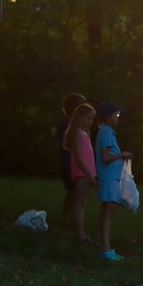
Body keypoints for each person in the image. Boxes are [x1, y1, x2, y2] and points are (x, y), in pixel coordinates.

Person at [94, 102, 132, 261]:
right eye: (116, 115)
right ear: (108, 117)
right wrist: (122, 155)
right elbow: (106, 157)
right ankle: (106, 249)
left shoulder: (105, 131)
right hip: (109, 178)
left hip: (111, 177)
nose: (118, 117)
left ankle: (105, 246)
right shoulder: (107, 132)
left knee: (108, 212)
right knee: (109, 213)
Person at [64, 103, 97, 246]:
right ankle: (81, 235)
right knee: (79, 204)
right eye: (88, 118)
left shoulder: (84, 133)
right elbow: (78, 156)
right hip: (81, 173)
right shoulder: (77, 133)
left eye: (92, 119)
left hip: (86, 173)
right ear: (80, 117)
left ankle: (80, 233)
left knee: (82, 203)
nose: (90, 122)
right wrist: (89, 174)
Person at [58, 93, 88, 228]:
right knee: (74, 191)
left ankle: (67, 217)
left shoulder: (74, 125)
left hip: (73, 163)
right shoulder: (67, 125)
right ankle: (66, 217)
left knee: (73, 191)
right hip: (70, 164)